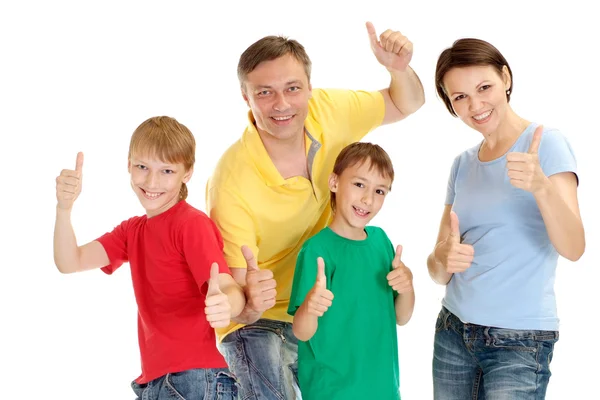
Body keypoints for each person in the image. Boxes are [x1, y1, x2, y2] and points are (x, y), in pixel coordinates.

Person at [206, 22, 425, 399]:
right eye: (264, 93)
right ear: (245, 97)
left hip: (324, 309)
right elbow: (237, 293)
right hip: (265, 319)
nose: (282, 104)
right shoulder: (231, 181)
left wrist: (399, 69)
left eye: (292, 88)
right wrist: (247, 302)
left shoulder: (328, 110)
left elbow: (407, 102)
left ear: (309, 87)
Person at [427, 38, 585, 399]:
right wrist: (443, 258)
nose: (475, 105)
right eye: (460, 97)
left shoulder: (547, 145)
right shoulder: (462, 164)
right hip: (453, 332)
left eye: (484, 87)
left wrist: (541, 187)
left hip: (518, 343)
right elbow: (438, 268)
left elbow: (575, 248)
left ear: (506, 77)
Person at [53, 116, 244, 400]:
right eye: (143, 167)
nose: (152, 181)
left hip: (195, 378)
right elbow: (70, 262)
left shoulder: (191, 223)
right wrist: (64, 209)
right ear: (128, 165)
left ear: (187, 173)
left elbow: (227, 286)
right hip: (158, 381)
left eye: (167, 170)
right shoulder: (132, 231)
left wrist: (227, 303)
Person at [288, 142, 415, 400]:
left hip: (383, 389)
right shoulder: (317, 250)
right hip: (332, 390)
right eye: (359, 185)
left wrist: (408, 287)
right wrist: (311, 306)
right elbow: (302, 332)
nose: (368, 199)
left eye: (379, 191)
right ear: (334, 182)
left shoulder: (381, 242)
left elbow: (401, 317)